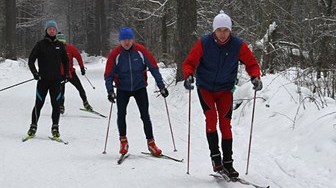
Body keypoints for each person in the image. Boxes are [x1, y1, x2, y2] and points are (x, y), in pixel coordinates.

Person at [182, 10, 263, 177]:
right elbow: (190, 62)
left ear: (230, 30)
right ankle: (215, 158)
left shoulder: (238, 45)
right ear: (214, 30)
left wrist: (255, 77)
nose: (223, 33)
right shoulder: (204, 43)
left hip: (225, 89)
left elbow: (251, 63)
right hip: (205, 88)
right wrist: (188, 75)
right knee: (211, 118)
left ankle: (228, 163)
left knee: (225, 125)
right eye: (220, 30)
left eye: (226, 30)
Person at [104, 27, 169, 156]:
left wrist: (161, 86)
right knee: (121, 114)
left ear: (132, 39)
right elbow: (108, 74)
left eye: (129, 39)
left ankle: (151, 143)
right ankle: (123, 141)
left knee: (145, 115)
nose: (126, 43)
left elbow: (154, 68)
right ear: (120, 41)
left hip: (140, 87)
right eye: (123, 40)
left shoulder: (141, 51)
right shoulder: (115, 54)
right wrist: (110, 90)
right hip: (122, 88)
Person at [27, 20, 69, 138]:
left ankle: (55, 128)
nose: (52, 31)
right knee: (38, 104)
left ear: (56, 31)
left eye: (54, 29)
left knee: (56, 104)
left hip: (56, 81)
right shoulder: (40, 44)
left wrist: (65, 74)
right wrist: (35, 73)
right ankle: (33, 126)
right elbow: (31, 60)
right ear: (46, 30)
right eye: (50, 29)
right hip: (43, 80)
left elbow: (66, 61)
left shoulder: (60, 45)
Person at [56, 33, 93, 114]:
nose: (62, 44)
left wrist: (82, 68)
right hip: (60, 74)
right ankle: (61, 106)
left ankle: (86, 103)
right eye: (59, 42)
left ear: (65, 42)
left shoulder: (70, 48)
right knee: (61, 92)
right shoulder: (55, 49)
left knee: (80, 89)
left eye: (63, 42)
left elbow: (78, 57)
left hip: (71, 73)